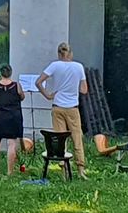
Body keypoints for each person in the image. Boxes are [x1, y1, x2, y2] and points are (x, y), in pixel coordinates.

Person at [37, 43, 89, 174]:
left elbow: (38, 82)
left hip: (58, 107)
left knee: (60, 139)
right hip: (72, 108)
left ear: (59, 54)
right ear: (71, 53)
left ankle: (64, 169)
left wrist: (48, 95)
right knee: (77, 137)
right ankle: (81, 169)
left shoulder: (54, 65)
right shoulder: (78, 67)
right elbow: (84, 90)